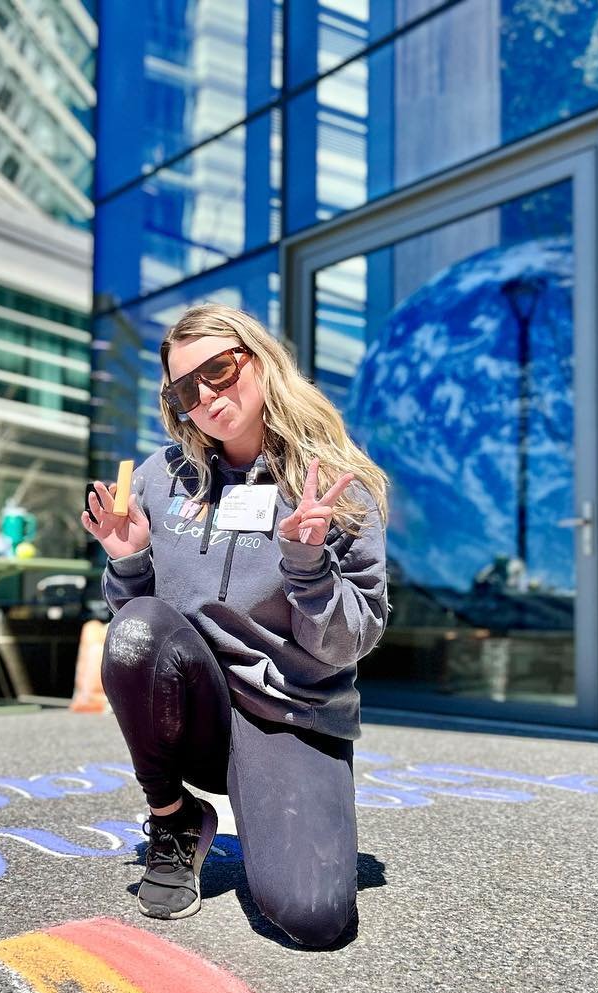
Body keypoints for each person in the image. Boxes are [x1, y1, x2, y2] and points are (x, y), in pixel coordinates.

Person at [81, 303, 391, 948]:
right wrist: (131, 559)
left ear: (259, 360)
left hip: (289, 710)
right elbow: (138, 630)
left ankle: (271, 801)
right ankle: (174, 815)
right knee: (137, 632)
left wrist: (308, 567)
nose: (207, 396)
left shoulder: (335, 483)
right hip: (194, 706)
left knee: (313, 917)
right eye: (185, 389)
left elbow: (350, 642)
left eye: (219, 370)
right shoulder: (159, 478)